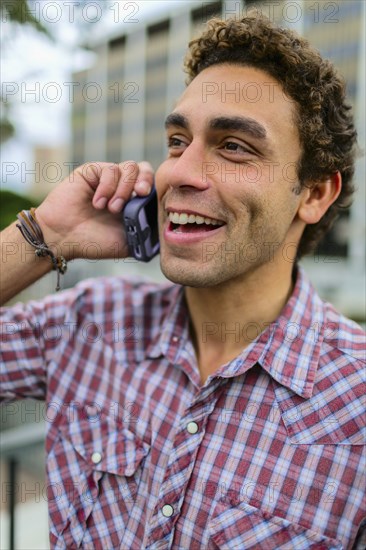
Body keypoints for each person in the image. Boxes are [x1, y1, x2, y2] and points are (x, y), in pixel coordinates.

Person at [1, 10, 365, 550]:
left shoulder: (355, 404)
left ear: (313, 194)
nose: (178, 173)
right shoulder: (89, 320)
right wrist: (46, 235)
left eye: (233, 146)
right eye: (177, 140)